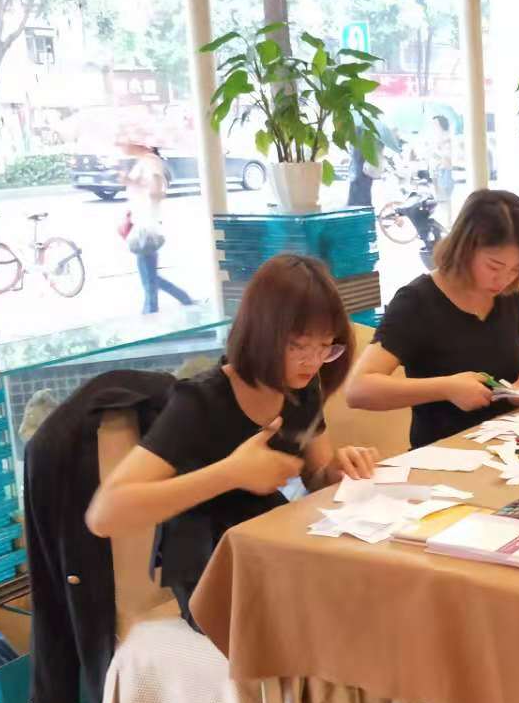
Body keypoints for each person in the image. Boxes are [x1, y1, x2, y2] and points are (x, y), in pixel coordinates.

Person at [86, 254, 379, 623]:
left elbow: (315, 477)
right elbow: (105, 514)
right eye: (298, 346)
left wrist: (335, 471)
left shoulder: (304, 385)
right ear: (261, 334)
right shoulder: (199, 402)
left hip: (269, 536)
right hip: (208, 564)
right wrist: (231, 473)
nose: (313, 361)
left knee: (370, 587)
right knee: (332, 613)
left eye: (326, 347)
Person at [346, 188, 519, 448]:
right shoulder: (417, 302)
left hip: (512, 444)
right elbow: (358, 389)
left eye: (515, 269)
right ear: (464, 248)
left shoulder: (508, 297)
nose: (503, 280)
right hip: (445, 454)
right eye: (494, 266)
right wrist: (446, 388)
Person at [118, 135, 193, 315]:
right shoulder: (144, 161)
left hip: (147, 224)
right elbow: (148, 186)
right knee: (148, 275)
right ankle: (182, 299)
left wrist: (144, 187)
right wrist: (130, 182)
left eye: (127, 141)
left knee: (148, 277)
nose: (123, 145)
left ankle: (152, 311)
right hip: (142, 222)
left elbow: (156, 187)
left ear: (141, 143)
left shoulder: (151, 161)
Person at [430, 114, 456, 222]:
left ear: (441, 124)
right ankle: (447, 219)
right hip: (438, 169)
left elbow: (448, 155)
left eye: (435, 123)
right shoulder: (437, 137)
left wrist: (438, 153)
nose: (433, 126)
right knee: (440, 196)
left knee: (446, 196)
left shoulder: (447, 137)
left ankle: (448, 220)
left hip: (445, 169)